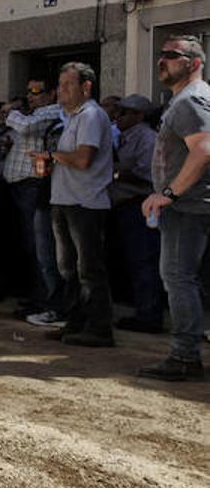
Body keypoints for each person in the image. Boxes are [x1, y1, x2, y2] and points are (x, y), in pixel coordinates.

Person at [138, 36, 210, 382]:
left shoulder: (191, 100)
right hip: (193, 205)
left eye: (171, 56)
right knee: (192, 280)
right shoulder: (188, 99)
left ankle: (184, 356)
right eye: (161, 55)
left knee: (178, 278)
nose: (161, 60)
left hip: (188, 207)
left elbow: (204, 150)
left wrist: (168, 193)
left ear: (194, 63)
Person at [32, 62, 114, 347]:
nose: (61, 90)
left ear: (86, 87)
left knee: (88, 268)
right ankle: (76, 322)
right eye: (61, 84)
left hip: (85, 202)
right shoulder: (73, 118)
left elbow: (82, 159)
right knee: (69, 268)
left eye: (68, 84)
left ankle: (99, 328)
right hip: (66, 199)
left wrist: (53, 156)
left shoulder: (91, 115)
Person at [3, 78, 67, 327]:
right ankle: (36, 297)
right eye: (28, 91)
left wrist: (11, 111)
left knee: (42, 249)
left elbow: (28, 128)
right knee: (30, 248)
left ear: (52, 93)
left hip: (33, 186)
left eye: (37, 91)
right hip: (20, 187)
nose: (31, 96)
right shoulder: (32, 114)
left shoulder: (52, 111)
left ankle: (47, 301)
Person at [109, 93, 162, 334]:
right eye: (117, 111)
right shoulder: (123, 136)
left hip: (139, 205)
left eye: (124, 112)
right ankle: (138, 308)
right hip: (121, 205)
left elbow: (147, 176)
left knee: (144, 261)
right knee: (130, 261)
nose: (117, 116)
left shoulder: (147, 139)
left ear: (139, 116)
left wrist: (115, 171)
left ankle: (149, 316)